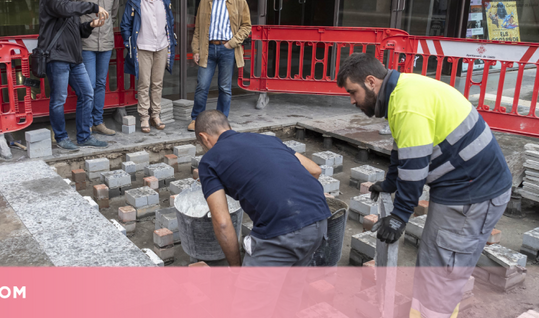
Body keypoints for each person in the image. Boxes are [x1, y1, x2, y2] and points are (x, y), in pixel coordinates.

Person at [337, 53, 512, 318]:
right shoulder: (404, 91)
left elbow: (415, 169)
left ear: (371, 82)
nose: (352, 101)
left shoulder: (407, 104)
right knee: (439, 269)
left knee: (438, 276)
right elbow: (404, 151)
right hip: (470, 189)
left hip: (470, 196)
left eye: (353, 92)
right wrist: (390, 183)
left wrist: (399, 216)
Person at [195, 110, 330, 266]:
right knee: (291, 286)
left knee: (248, 290)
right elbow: (314, 170)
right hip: (319, 219)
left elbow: (223, 223)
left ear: (203, 138)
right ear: (229, 127)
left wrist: (236, 268)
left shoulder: (209, 161)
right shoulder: (267, 139)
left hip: (282, 231)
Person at [38, 0, 110, 150]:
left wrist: (89, 26)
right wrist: (93, 6)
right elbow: (65, 9)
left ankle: (84, 136)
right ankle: (61, 138)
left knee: (87, 93)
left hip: (74, 58)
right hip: (57, 58)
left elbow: (74, 30)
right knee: (59, 99)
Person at [188, 0, 251, 131]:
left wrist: (232, 43)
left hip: (227, 49)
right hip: (207, 48)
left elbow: (246, 26)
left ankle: (222, 123)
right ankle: (196, 120)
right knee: (202, 86)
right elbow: (198, 29)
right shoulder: (205, 0)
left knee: (225, 88)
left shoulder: (239, 1)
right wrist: (196, 50)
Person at [120, 0, 176, 133]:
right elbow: (125, 25)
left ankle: (155, 115)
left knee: (157, 83)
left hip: (161, 46)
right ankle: (144, 117)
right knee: (144, 83)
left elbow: (170, 22)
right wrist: (130, 44)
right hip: (143, 46)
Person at [75, 0, 119, 136]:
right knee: (89, 85)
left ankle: (97, 122)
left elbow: (113, 15)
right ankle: (86, 126)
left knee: (101, 84)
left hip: (106, 43)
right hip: (87, 43)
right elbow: (73, 12)